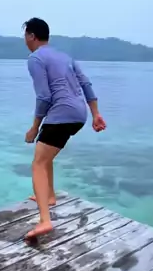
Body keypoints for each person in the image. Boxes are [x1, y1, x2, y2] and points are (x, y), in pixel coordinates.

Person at [23, 17, 106, 241]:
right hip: (79, 114)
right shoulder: (65, 57)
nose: (25, 40)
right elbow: (86, 84)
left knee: (38, 163)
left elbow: (44, 96)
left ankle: (44, 220)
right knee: (46, 157)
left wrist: (34, 128)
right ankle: (50, 196)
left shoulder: (35, 58)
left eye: (25, 36)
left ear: (31, 36)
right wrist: (96, 114)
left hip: (61, 113)